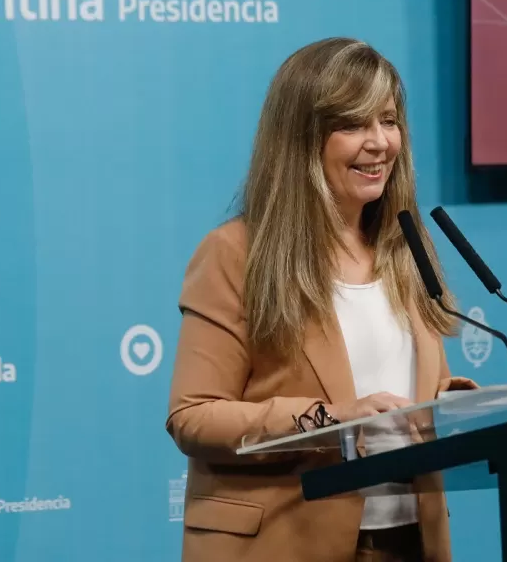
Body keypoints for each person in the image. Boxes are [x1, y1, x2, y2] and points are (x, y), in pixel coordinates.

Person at [166, 38, 477, 562]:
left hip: (410, 540)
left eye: (389, 120)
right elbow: (193, 416)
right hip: (286, 543)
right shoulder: (235, 254)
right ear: (301, 140)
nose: (380, 142)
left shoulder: (407, 246)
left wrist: (458, 406)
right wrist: (331, 419)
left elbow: (412, 388)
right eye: (353, 124)